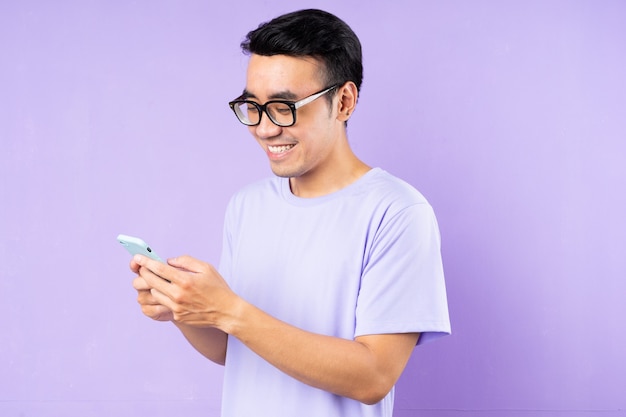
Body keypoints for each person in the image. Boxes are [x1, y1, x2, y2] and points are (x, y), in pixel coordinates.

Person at [130, 8, 450, 417]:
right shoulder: (247, 205)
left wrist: (229, 309)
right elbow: (239, 349)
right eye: (252, 106)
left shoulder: (397, 213)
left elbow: (373, 376)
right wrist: (185, 310)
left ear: (345, 101)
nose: (264, 128)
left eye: (285, 106)